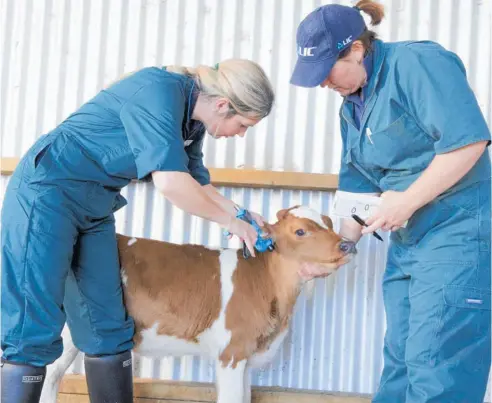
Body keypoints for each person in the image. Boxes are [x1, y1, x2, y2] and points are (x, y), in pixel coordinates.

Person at [1, 59, 275, 402]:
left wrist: (241, 213)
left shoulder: (192, 122)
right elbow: (172, 184)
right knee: (31, 326)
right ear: (223, 105)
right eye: (244, 124)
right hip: (47, 196)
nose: (241, 134)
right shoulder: (159, 92)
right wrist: (229, 223)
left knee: (108, 327)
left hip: (94, 208)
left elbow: (195, 183)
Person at [290, 1, 491, 402]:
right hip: (408, 240)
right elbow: (357, 193)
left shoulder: (417, 64)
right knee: (399, 358)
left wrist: (406, 202)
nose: (323, 84)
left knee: (436, 361)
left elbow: (468, 141)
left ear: (357, 50)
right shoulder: (352, 106)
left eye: (327, 71)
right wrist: (336, 253)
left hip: (457, 230)